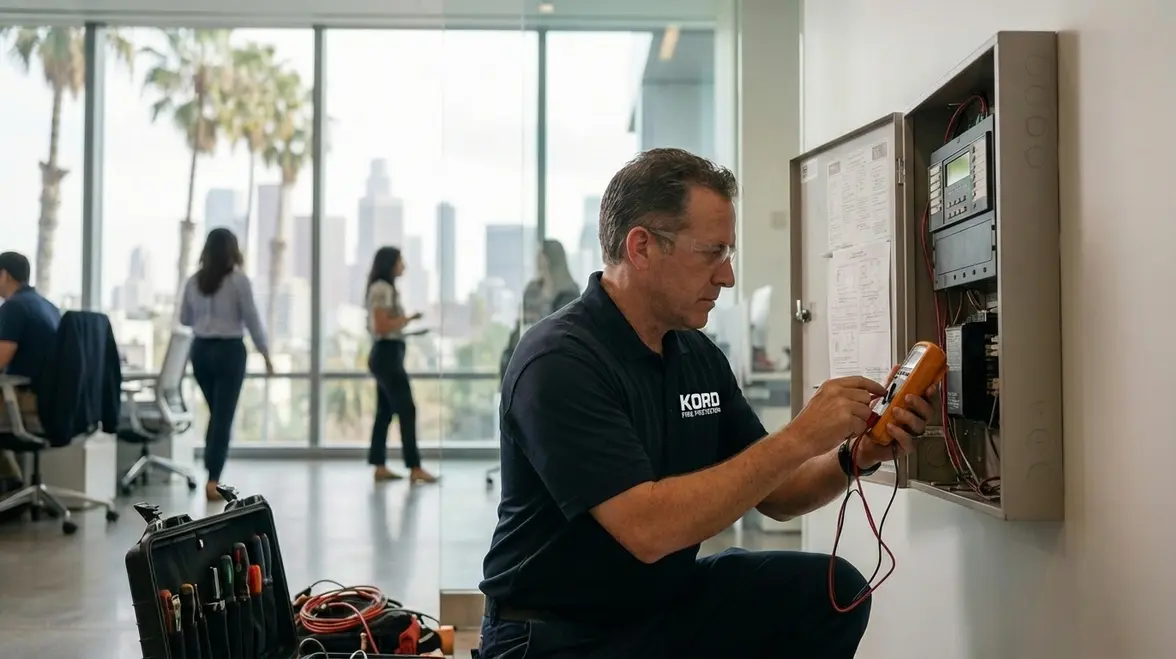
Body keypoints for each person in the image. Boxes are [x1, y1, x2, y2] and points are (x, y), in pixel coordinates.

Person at [478, 148, 937, 659]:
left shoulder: (695, 354)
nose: (727, 277)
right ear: (642, 247)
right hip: (557, 632)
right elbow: (648, 530)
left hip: (661, 607)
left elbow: (778, 494)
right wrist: (800, 436)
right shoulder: (559, 361)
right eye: (711, 253)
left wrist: (854, 455)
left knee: (833, 592)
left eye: (729, 255)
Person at [179, 229, 273, 501]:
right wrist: (265, 354)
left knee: (217, 415)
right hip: (229, 352)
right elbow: (253, 320)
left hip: (201, 353)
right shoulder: (238, 281)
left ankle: (211, 473)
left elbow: (185, 319)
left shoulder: (193, 282)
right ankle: (213, 480)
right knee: (222, 417)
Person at [365, 246, 437, 484]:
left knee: (385, 412)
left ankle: (379, 465)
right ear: (390, 264)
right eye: (400, 261)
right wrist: (408, 319)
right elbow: (382, 325)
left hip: (389, 353)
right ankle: (414, 467)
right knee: (407, 408)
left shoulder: (386, 289)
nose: (404, 265)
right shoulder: (382, 289)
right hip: (386, 356)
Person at [0, 252, 61, 484]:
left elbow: (1, 358)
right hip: (52, 400)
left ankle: (9, 481)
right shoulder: (47, 306)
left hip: (30, 401)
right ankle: (10, 480)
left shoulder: (14, 307)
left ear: (4, 275)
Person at [499, 239, 582, 380]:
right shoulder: (532, 289)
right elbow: (523, 320)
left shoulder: (570, 292)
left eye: (541, 255)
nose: (537, 259)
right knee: (508, 358)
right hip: (527, 345)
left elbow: (565, 327)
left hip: (554, 352)